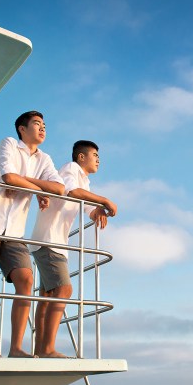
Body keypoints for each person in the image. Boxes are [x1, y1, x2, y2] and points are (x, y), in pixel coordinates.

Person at [0, 111, 64, 358]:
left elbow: (59, 188)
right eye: (36, 124)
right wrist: (38, 189)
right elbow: (9, 178)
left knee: (26, 280)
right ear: (22, 128)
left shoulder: (44, 158)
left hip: (14, 231)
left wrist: (30, 184)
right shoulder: (9, 143)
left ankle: (15, 348)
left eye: (44, 125)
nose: (42, 128)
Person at [30, 140, 117, 358]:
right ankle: (47, 348)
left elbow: (84, 202)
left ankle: (41, 349)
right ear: (81, 157)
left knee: (48, 294)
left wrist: (97, 210)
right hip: (50, 240)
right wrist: (104, 200)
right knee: (64, 290)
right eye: (95, 155)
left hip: (51, 240)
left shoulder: (83, 181)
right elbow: (71, 192)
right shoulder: (71, 169)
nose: (98, 159)